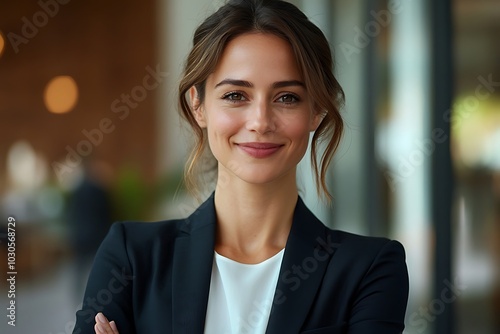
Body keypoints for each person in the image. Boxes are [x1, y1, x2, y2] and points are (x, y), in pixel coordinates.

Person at [73, 0, 409, 333]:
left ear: (316, 111)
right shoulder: (131, 257)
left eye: (287, 97)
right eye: (236, 95)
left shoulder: (370, 269)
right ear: (198, 106)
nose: (260, 122)